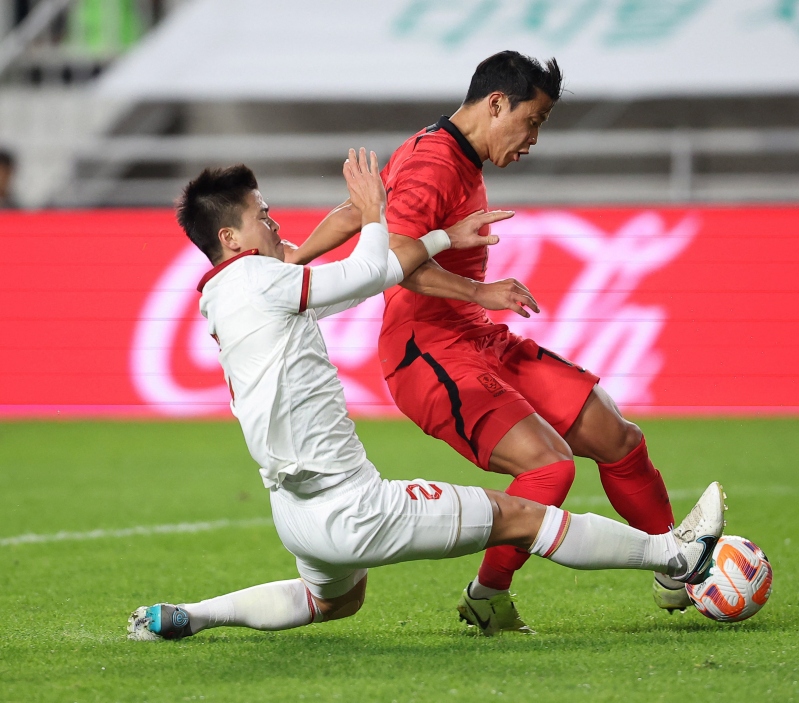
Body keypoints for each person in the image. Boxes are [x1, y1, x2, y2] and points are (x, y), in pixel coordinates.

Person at [127, 153, 725, 642]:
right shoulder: (259, 279)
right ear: (230, 237)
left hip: (297, 514)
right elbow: (366, 268)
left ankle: (190, 615)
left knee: (331, 601)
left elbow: (377, 275)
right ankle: (676, 556)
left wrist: (440, 236)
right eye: (263, 216)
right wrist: (373, 211)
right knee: (522, 516)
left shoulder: (241, 292)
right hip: (352, 506)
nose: (277, 225)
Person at [287, 51, 689, 635]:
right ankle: (487, 596)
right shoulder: (436, 163)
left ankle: (679, 565)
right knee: (549, 469)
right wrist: (478, 291)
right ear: (497, 103)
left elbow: (360, 211)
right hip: (428, 351)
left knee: (616, 437)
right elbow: (394, 260)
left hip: (478, 340)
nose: (533, 139)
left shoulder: (436, 149)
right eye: (534, 121)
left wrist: (291, 261)